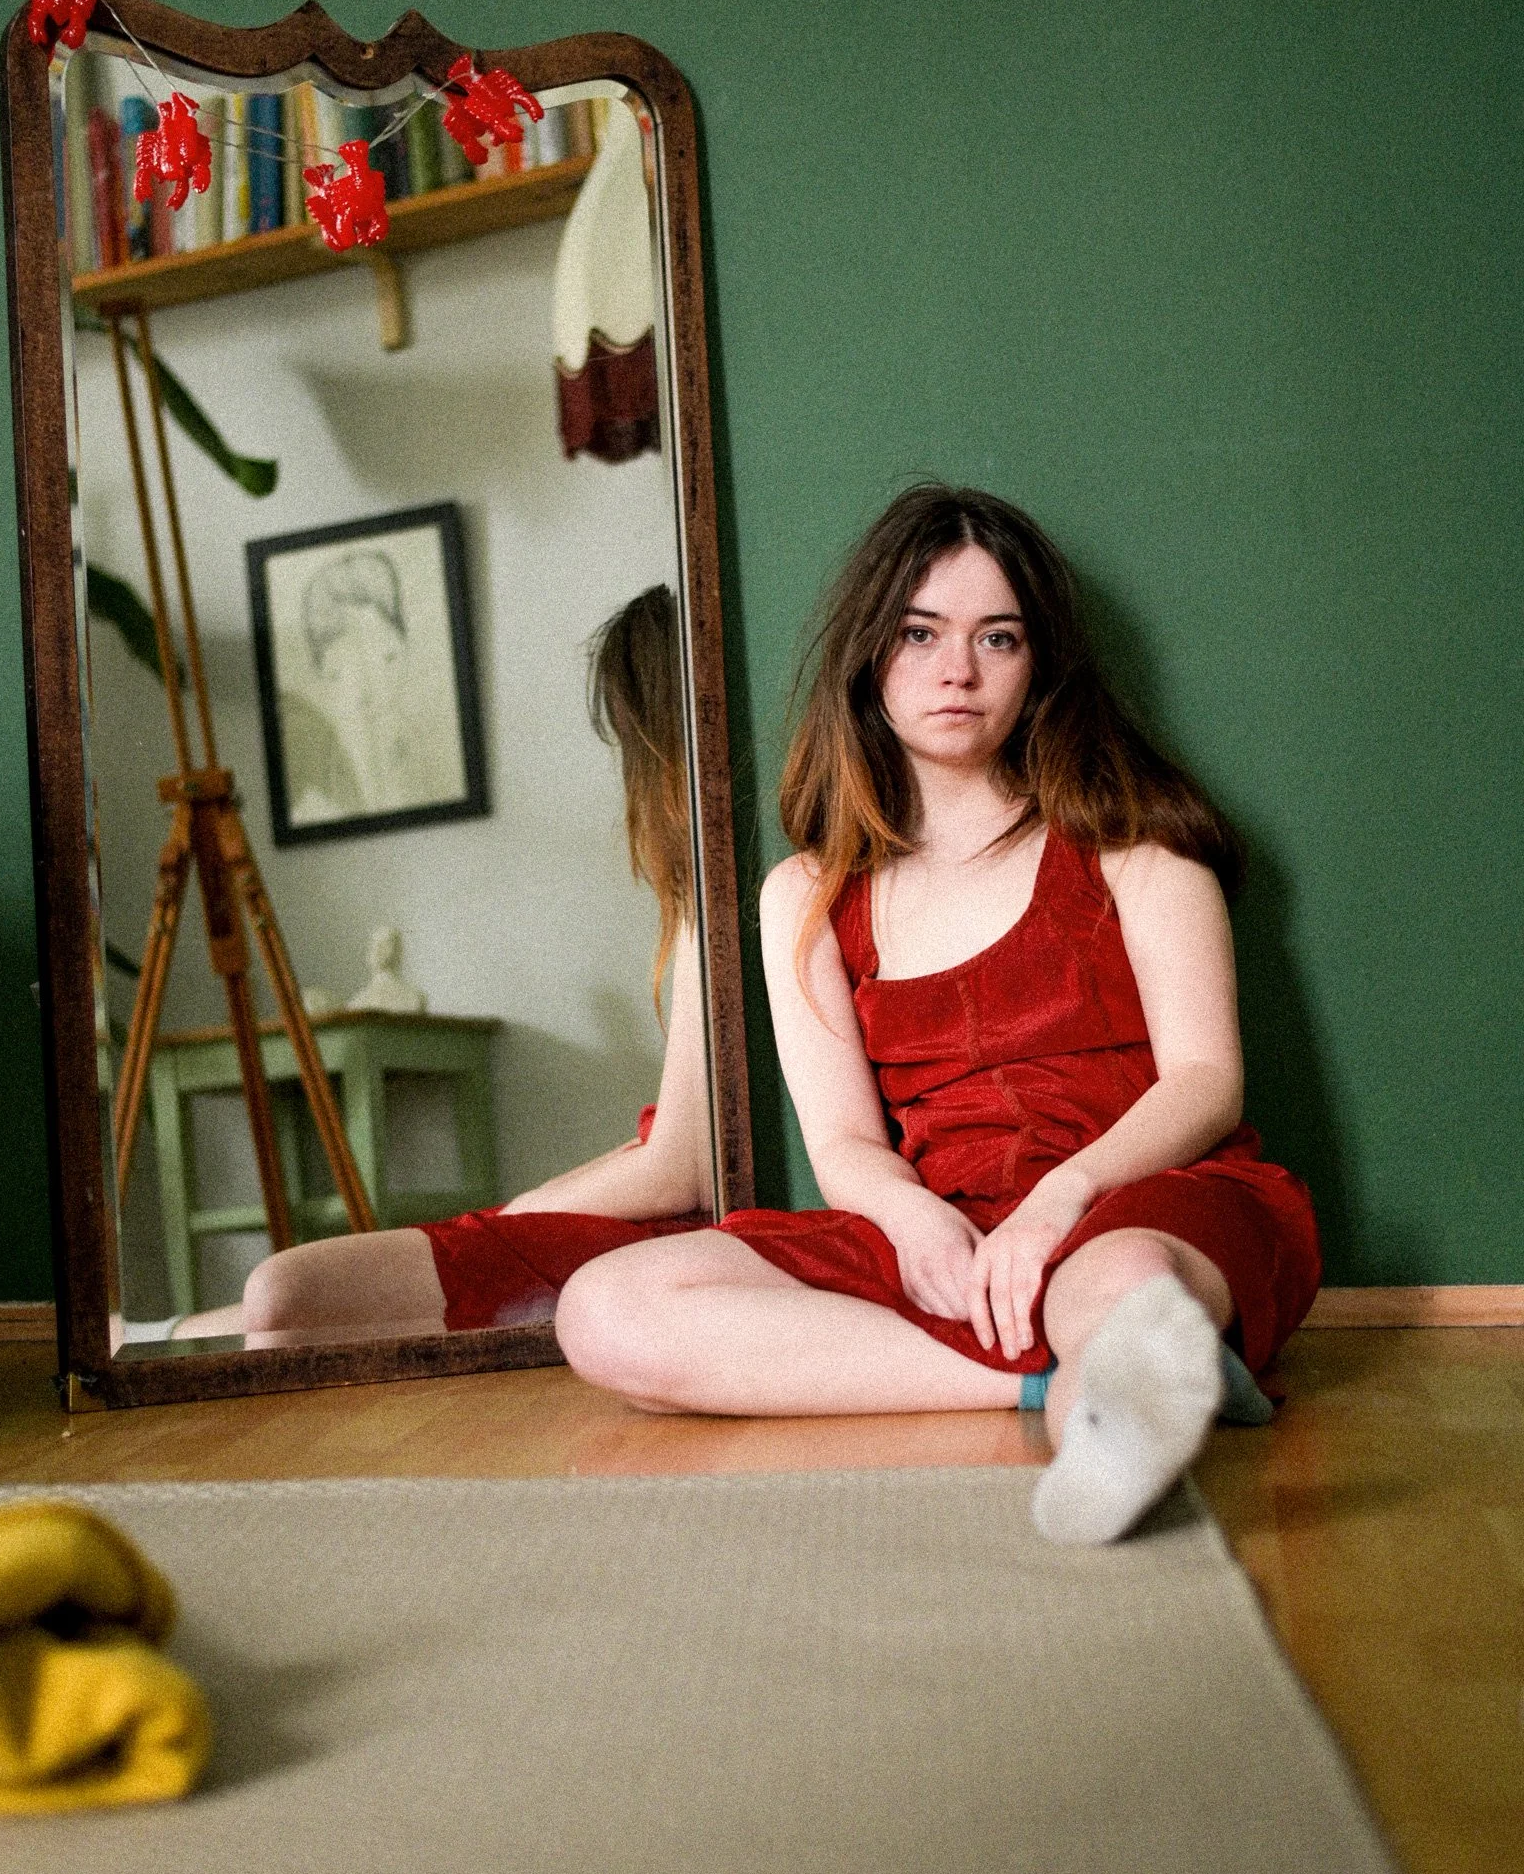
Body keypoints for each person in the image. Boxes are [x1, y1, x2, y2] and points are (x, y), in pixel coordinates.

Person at [551, 485, 1321, 1545]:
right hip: (942, 1229)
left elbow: (1205, 1082)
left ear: (1039, 664)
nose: (957, 670)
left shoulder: (1136, 844)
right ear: (868, 656)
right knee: (603, 1310)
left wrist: (1060, 1201)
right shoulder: (805, 895)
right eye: (920, 634)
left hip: (1136, 1196)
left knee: (1122, 1284)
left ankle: (1116, 1398)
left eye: (996, 637)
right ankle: (1059, 1387)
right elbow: (843, 1144)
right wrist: (915, 1224)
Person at [181, 583, 712, 1347]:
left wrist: (513, 1218)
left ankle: (165, 1335)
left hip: (680, 1218)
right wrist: (517, 1212)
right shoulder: (701, 892)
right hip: (660, 1193)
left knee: (283, 1291)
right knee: (291, 1294)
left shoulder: (720, 894)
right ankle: (159, 1332)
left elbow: (684, 1165)